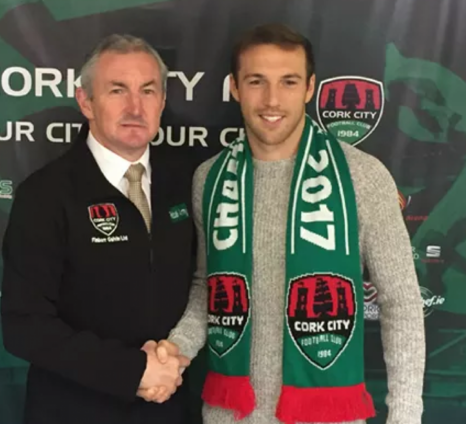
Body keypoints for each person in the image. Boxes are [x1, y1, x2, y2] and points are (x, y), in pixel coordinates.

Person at [144, 23, 426, 424]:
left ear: (309, 89)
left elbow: (401, 303)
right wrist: (176, 349)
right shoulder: (210, 178)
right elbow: (211, 289)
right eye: (256, 81)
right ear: (235, 88)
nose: (272, 99)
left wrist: (406, 416)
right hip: (229, 414)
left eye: (288, 82)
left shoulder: (362, 176)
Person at [0, 34, 196, 424]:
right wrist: (132, 371)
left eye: (147, 91)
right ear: (86, 101)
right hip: (74, 410)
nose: (135, 107)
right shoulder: (45, 194)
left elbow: (203, 283)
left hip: (170, 406)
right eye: (117, 90)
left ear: (162, 101)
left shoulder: (188, 181)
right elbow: (24, 325)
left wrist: (173, 356)